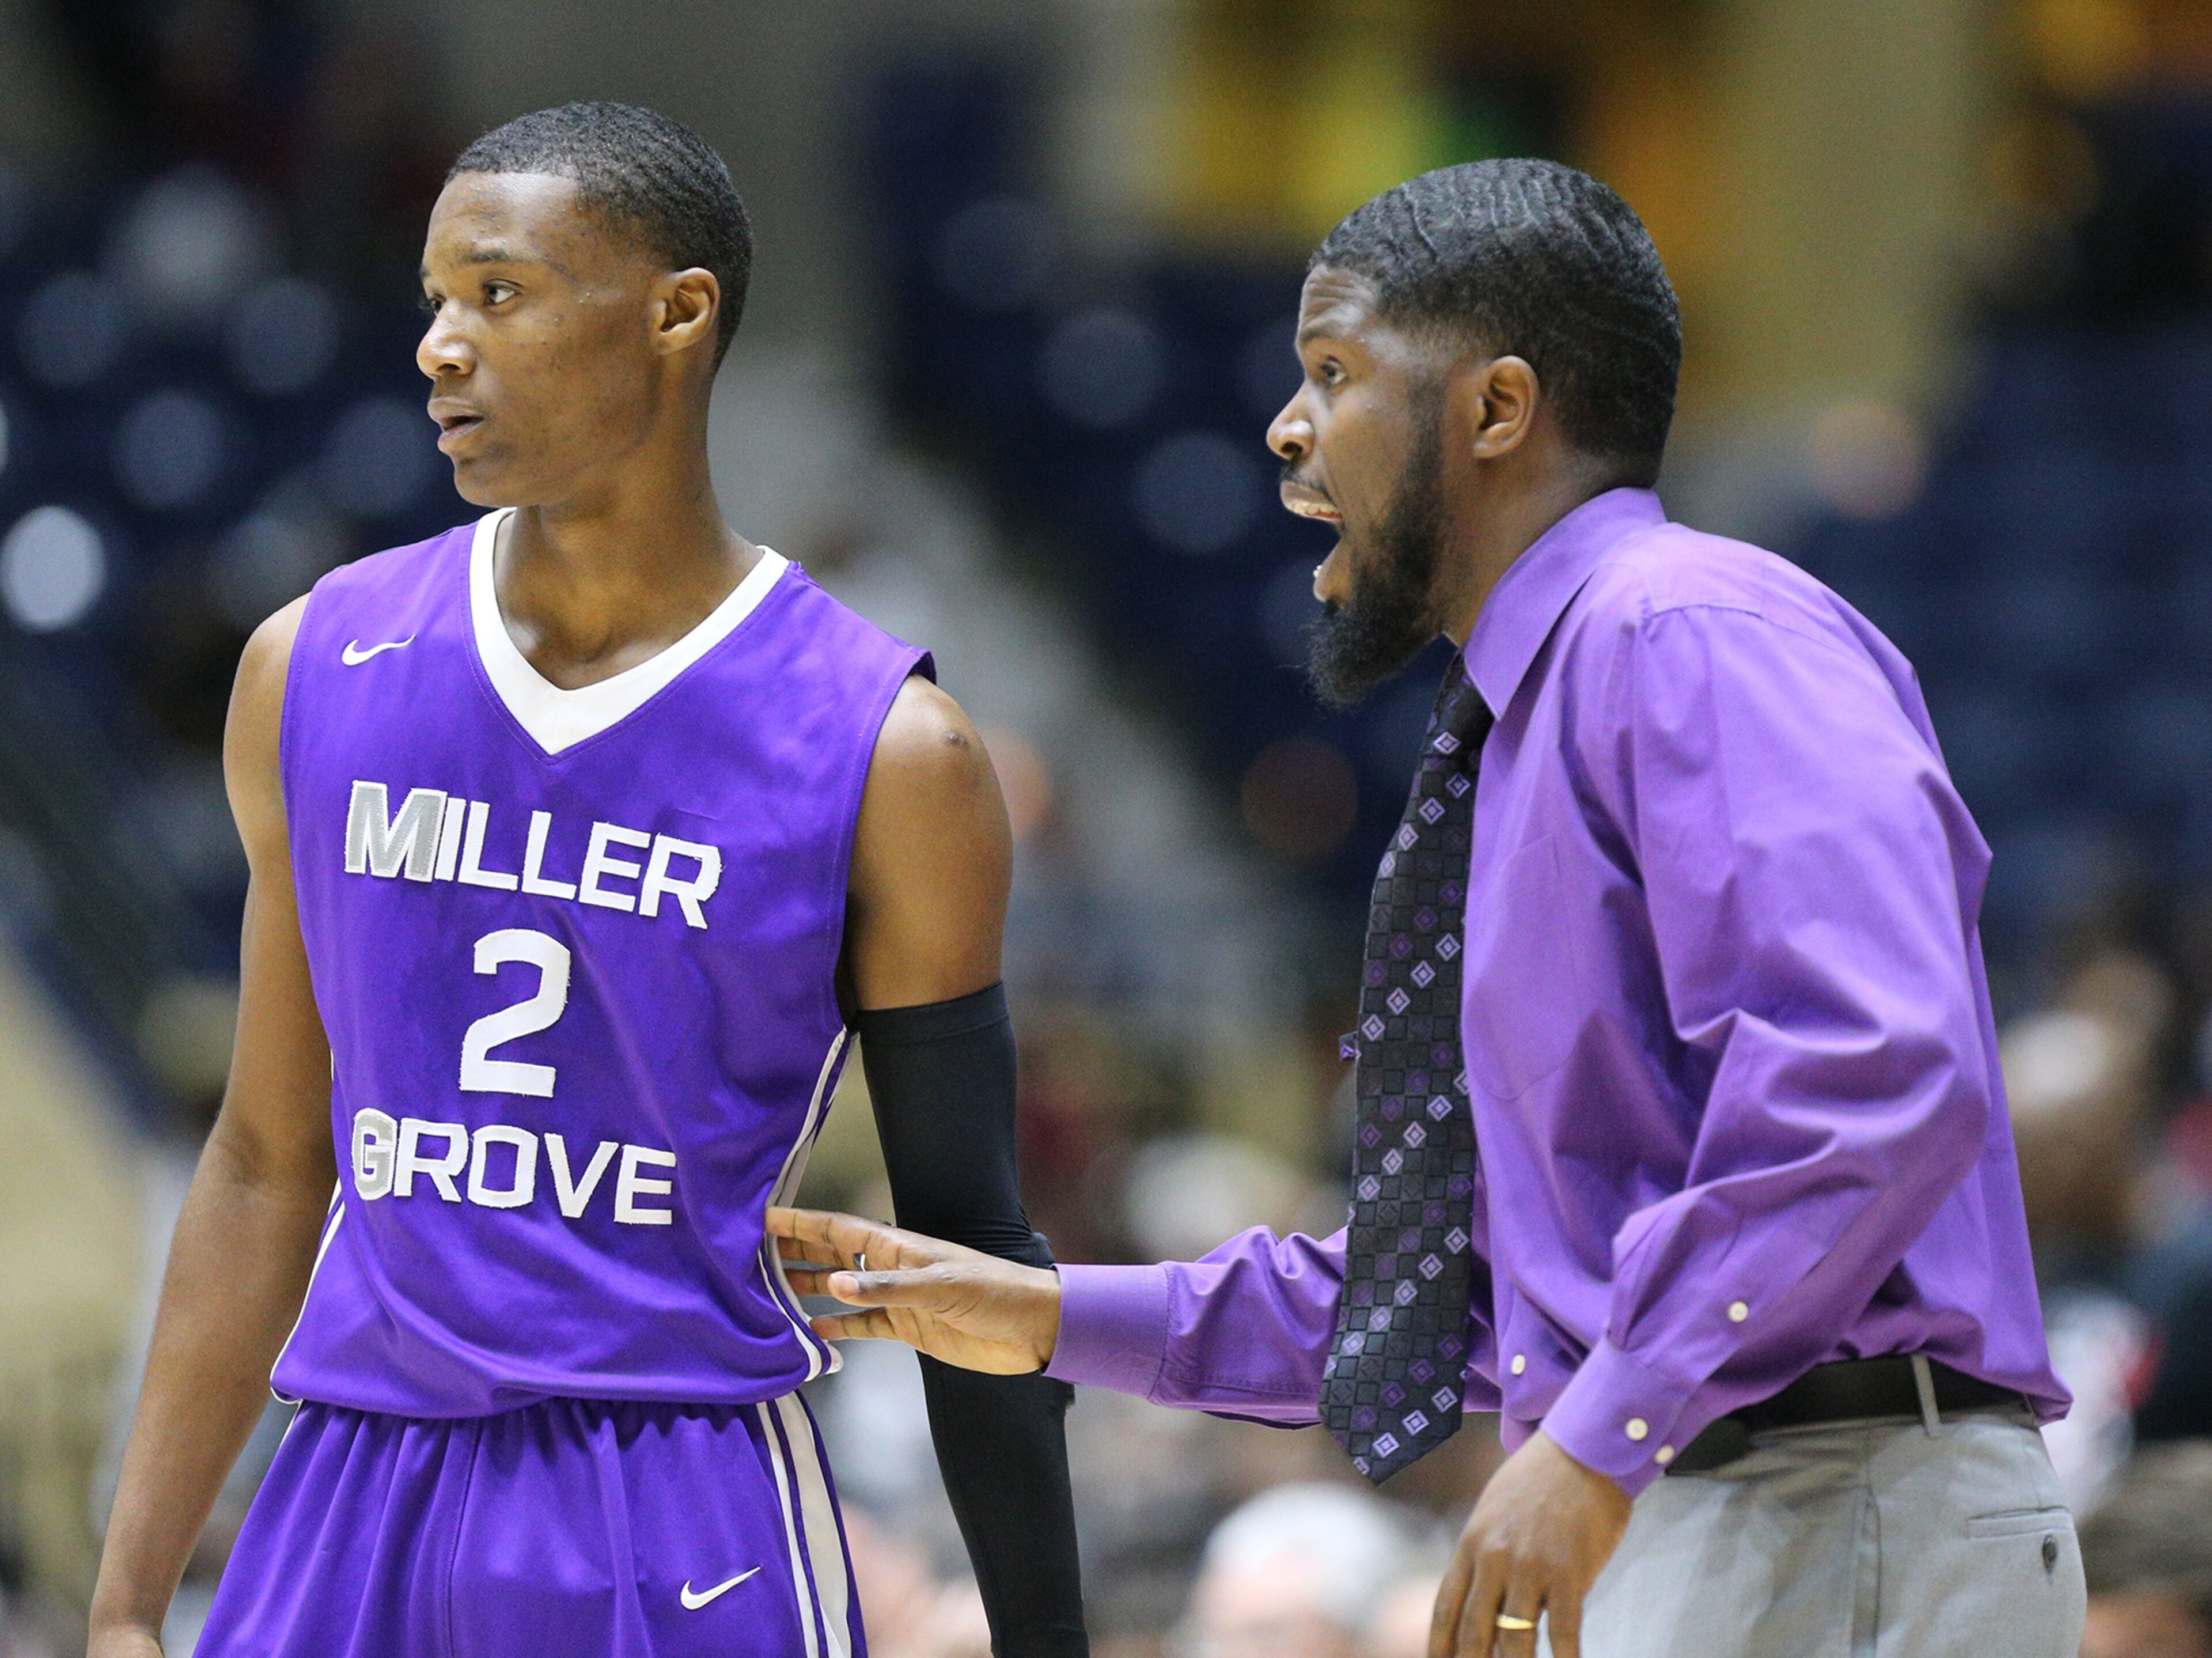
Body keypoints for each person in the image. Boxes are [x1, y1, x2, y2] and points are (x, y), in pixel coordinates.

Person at [771, 158, 2084, 1658]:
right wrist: (1043, 1312)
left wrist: (1601, 1433)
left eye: (1333, 372)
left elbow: (1866, 1078)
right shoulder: (1522, 729)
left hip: (1831, 1489)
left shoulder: (1691, 629)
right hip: (1714, 1492)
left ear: (1496, 409)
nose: (1285, 426)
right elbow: (1453, 1296)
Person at [86, 102, 1085, 1658]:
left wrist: (1044, 1640)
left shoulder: (891, 751)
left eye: (498, 292)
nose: (439, 344)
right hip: (350, 1469)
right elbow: (270, 1161)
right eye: (430, 298)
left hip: (673, 1485)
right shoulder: (315, 664)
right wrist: (131, 1603)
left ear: (678, 316)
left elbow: (974, 1262)